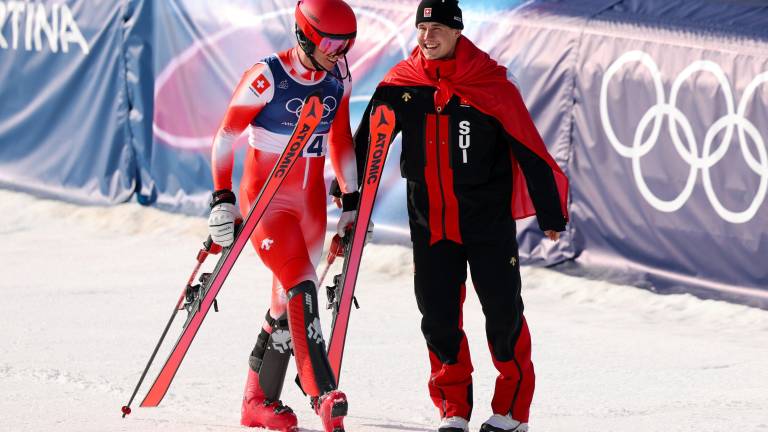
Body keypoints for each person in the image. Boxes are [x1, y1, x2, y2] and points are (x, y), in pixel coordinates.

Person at [350, 1, 569, 431]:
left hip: (486, 224)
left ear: (456, 32)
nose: (427, 37)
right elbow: (366, 147)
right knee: (438, 317)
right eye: (422, 28)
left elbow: (530, 147)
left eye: (436, 28)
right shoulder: (400, 84)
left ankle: (511, 412)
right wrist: (348, 198)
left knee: (503, 313)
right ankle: (454, 410)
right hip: (430, 224)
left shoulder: (491, 84)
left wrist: (550, 213)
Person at [206, 0, 361, 431]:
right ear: (305, 34)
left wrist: (350, 202)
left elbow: (341, 142)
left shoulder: (336, 81)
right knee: (302, 284)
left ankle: (257, 401)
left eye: (347, 42)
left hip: (310, 208)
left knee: (284, 302)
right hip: (267, 205)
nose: (339, 51)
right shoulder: (267, 76)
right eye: (332, 41)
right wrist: (222, 198)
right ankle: (322, 392)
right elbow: (225, 136)